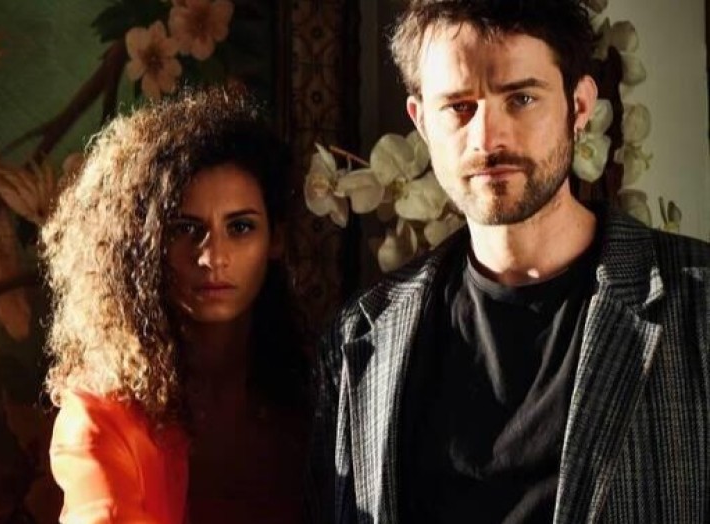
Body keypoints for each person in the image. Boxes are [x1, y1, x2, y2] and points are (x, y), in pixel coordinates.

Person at [308, 0, 710, 522]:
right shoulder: (360, 339)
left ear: (579, 105)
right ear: (422, 121)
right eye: (459, 107)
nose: (487, 138)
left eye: (521, 98)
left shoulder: (698, 307)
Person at [43, 87, 309, 524]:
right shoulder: (100, 417)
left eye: (240, 227)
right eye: (186, 229)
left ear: (275, 239)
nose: (213, 257)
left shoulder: (316, 395)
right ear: (144, 247)